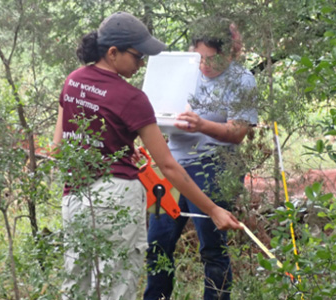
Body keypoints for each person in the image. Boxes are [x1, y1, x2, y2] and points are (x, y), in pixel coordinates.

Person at [52, 11, 243, 300]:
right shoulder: (132, 99)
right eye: (137, 56)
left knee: (78, 285)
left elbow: (58, 148)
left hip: (75, 197)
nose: (141, 64)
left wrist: (107, 150)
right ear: (113, 52)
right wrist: (213, 210)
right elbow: (168, 165)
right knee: (117, 288)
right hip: (116, 197)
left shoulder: (73, 81)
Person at [144, 17, 258, 300]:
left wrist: (201, 125)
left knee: (212, 248)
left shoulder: (242, 80)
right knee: (157, 243)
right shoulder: (182, 70)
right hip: (171, 169)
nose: (204, 65)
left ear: (231, 52)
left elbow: (238, 131)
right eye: (199, 58)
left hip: (215, 168)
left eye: (211, 59)